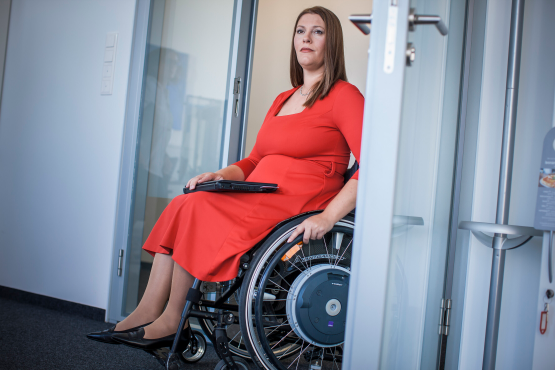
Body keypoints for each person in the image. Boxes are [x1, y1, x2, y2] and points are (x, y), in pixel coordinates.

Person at [86, 5, 363, 351]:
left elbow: (371, 165)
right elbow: (254, 159)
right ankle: (144, 313)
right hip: (259, 192)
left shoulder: (343, 96)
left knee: (198, 208)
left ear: (331, 42)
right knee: (184, 202)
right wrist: (220, 174)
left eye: (317, 31)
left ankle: (172, 320)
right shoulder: (283, 98)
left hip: (297, 202)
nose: (306, 37)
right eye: (300, 30)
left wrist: (328, 217)